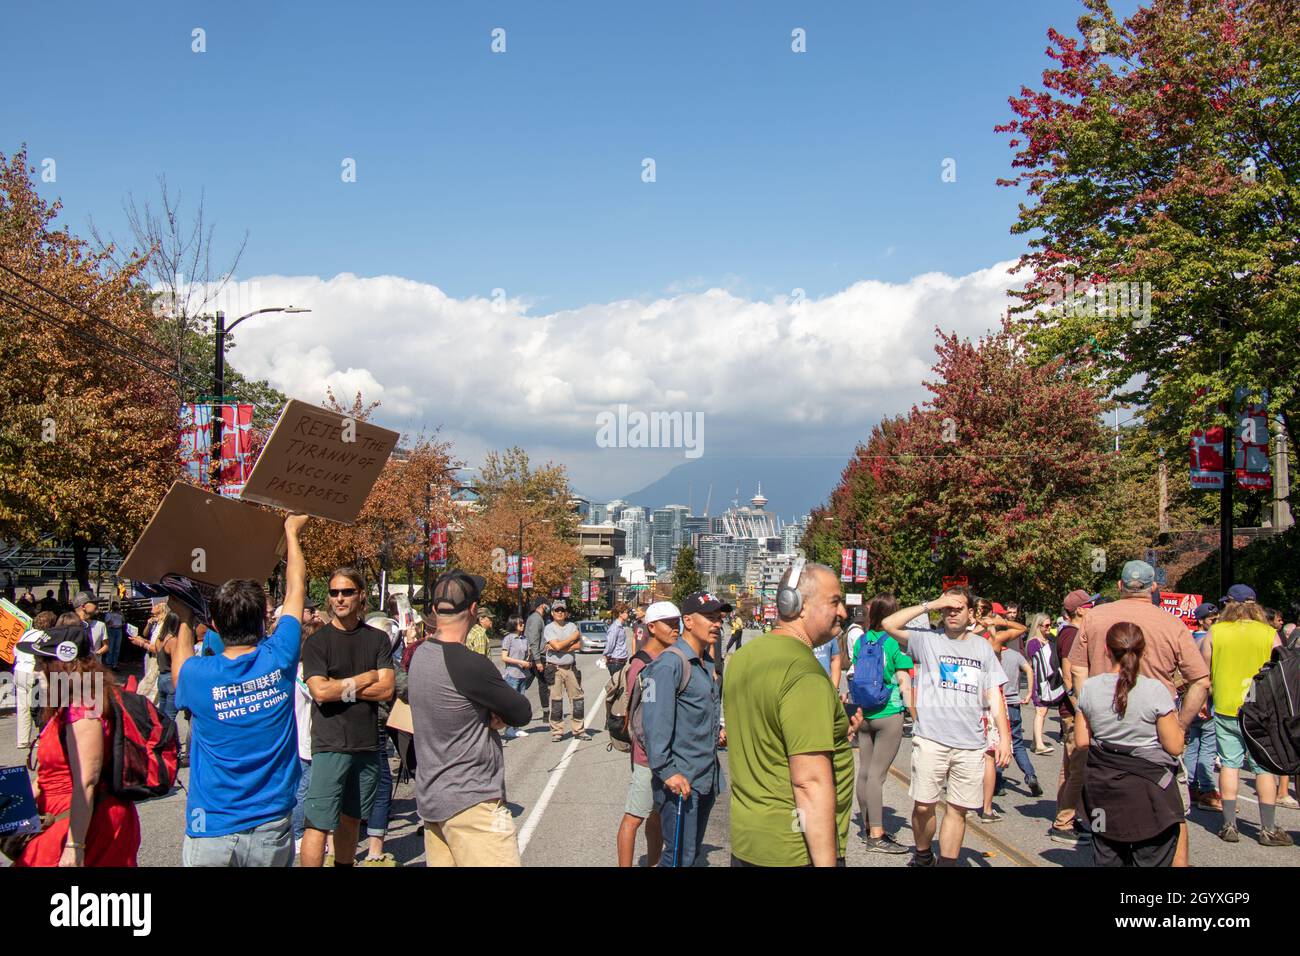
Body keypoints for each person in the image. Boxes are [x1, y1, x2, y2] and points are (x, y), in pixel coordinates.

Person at [172, 514, 310, 866]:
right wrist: (291, 533)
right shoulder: (279, 657)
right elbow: (296, 589)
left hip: (212, 824)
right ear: (265, 621)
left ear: (214, 625)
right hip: (271, 821)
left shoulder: (197, 676)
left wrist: (184, 616)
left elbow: (181, 657)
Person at [1068, 560, 1210, 866]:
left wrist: (1089, 709)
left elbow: (1077, 670)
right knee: (1172, 817)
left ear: (1119, 586)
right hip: (1154, 741)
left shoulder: (1093, 619)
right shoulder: (1171, 624)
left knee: (1105, 826)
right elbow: (1201, 681)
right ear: (1154, 588)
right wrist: (1180, 724)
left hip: (1103, 746)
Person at [726, 561, 860, 867]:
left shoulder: (744, 657)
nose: (842, 612)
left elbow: (768, 734)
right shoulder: (804, 674)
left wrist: (838, 731)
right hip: (794, 849)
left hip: (749, 840)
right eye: (834, 601)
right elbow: (810, 783)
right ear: (797, 605)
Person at [408, 570, 531, 866]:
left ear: (436, 610)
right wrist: (492, 714)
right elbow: (522, 712)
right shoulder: (469, 664)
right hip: (472, 801)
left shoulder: (420, 655)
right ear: (474, 610)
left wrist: (484, 713)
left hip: (432, 799)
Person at [881, 588, 1010, 867]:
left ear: (971, 613)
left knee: (958, 809)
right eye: (948, 609)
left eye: (959, 608)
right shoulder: (927, 640)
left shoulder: (982, 648)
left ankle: (948, 862)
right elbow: (888, 624)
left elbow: (993, 694)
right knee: (924, 805)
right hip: (931, 739)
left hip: (971, 743)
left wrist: (1004, 739)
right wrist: (933, 603)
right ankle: (924, 852)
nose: (952, 612)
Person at [12, 615, 141, 867]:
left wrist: (74, 847)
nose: (39, 669)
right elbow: (48, 775)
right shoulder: (68, 703)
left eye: (44, 661)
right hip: (64, 818)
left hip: (83, 824)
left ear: (64, 665)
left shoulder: (83, 707)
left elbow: (87, 781)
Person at [300, 568, 396, 868]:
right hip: (330, 743)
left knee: (351, 818)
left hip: (366, 743)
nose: (339, 598)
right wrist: (365, 678)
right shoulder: (317, 642)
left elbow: (386, 689)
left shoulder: (377, 639)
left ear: (361, 594)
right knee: (318, 822)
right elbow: (319, 692)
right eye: (334, 592)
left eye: (347, 592)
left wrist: (341, 686)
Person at [1076, 622, 1185, 867]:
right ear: (1143, 651)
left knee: (1106, 854)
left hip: (1102, 793)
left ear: (1106, 650)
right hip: (1148, 794)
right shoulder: (1155, 690)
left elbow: (1082, 741)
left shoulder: (1089, 688)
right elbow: (1175, 747)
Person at [642, 591, 726, 867]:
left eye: (719, 618)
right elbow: (654, 725)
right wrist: (668, 772)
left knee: (689, 856)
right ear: (688, 621)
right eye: (710, 618)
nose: (717, 623)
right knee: (678, 858)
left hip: (704, 778)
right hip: (681, 781)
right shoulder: (669, 664)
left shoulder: (706, 663)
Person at [1202, 585, 1291, 846]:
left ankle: (1229, 824)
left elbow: (1203, 671)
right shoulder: (1269, 633)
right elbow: (1282, 669)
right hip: (1260, 708)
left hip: (1226, 705)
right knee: (1263, 767)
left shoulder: (1216, 632)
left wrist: (1206, 699)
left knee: (1230, 763)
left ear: (1230, 605)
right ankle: (1267, 828)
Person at [616, 601, 679, 867]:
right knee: (634, 817)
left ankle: (653, 862)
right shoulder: (645, 665)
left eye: (678, 623)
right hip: (649, 756)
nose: (676, 629)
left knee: (654, 816)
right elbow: (643, 719)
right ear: (651, 627)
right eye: (670, 624)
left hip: (662, 754)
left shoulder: (666, 659)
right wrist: (655, 753)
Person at [848, 593, 913, 853]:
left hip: (864, 712)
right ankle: (877, 833)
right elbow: (904, 682)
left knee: (864, 771)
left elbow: (855, 670)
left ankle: (865, 824)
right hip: (889, 712)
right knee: (878, 775)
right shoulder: (895, 643)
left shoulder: (861, 641)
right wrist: (914, 715)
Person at [1049, 589, 1096, 844]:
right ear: (1079, 610)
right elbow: (1069, 675)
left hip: (1074, 711)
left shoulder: (1074, 632)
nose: (1094, 608)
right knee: (1079, 769)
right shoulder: (1071, 635)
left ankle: (1067, 816)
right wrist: (1082, 708)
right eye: (1091, 605)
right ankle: (1063, 823)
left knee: (1070, 768)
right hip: (1075, 712)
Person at [994, 638, 1041, 798]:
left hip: (999, 703)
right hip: (1014, 703)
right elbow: (1029, 669)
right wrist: (1028, 692)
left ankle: (998, 782)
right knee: (1018, 744)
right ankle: (1030, 775)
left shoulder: (991, 655)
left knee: (999, 743)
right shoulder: (1015, 655)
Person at [1185, 603, 1221, 811]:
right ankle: (1207, 789)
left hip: (1194, 699)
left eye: (1216, 618)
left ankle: (1191, 786)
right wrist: (1206, 701)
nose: (1215, 622)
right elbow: (1205, 676)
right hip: (1205, 700)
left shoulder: (1191, 640)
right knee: (1207, 745)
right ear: (1200, 621)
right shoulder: (1205, 641)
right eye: (1211, 619)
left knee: (1195, 744)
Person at [293, 614, 324, 850]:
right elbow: (319, 694)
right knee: (305, 788)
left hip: (304, 737)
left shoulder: (297, 668)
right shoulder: (303, 672)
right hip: (306, 739)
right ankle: (298, 833)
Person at [544, 602, 588, 742]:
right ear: (552, 613)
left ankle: (579, 730)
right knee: (556, 701)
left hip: (570, 668)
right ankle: (557, 731)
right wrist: (571, 639)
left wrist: (559, 647)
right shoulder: (549, 628)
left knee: (578, 700)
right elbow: (558, 645)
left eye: (562, 610)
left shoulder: (572, 626)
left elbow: (579, 644)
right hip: (555, 668)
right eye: (557, 610)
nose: (560, 612)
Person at [13, 610, 55, 750]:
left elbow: (15, 651)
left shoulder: (26, 634)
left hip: (19, 670)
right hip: (33, 671)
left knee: (22, 707)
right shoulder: (44, 637)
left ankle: (22, 740)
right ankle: (42, 736)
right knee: (39, 706)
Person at [1023, 612, 1056, 754]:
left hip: (1049, 680)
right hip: (1039, 680)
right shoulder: (1033, 643)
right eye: (1046, 625)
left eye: (1050, 625)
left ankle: (1036, 741)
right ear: (1039, 626)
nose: (1049, 628)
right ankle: (1039, 744)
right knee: (1040, 711)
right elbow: (1038, 663)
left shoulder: (1049, 640)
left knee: (1044, 711)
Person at [500, 615, 532, 741]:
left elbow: (528, 654)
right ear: (514, 624)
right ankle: (508, 729)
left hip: (523, 674)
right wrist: (519, 662)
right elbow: (504, 657)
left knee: (520, 702)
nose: (523, 625)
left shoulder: (524, 638)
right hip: (512, 674)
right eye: (520, 623)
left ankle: (516, 727)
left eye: (523, 623)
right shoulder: (509, 638)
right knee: (511, 703)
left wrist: (528, 661)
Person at [525, 598, 551, 719]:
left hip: (535, 657)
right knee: (541, 685)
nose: (548, 608)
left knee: (527, 684)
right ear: (542, 605)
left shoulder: (537, 618)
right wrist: (537, 661)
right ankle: (546, 713)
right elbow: (534, 641)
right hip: (536, 657)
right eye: (547, 605)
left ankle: (546, 712)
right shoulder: (536, 619)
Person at [72, 591, 108, 659]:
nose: (97, 605)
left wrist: (97, 653)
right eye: (94, 603)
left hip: (95, 667)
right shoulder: (69, 626)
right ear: (83, 606)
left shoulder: (100, 625)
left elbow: (106, 646)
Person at [604, 603, 631, 676]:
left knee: (621, 685)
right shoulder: (615, 628)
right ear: (620, 614)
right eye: (626, 612)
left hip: (621, 661)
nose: (628, 614)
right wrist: (607, 657)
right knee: (617, 686)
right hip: (616, 662)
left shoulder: (620, 627)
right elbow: (610, 644)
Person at [102, 601, 125, 670]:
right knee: (110, 647)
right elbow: (107, 622)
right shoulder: (109, 614)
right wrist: (112, 619)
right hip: (111, 630)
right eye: (115, 606)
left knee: (117, 648)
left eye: (117, 606)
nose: (117, 607)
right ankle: (109, 663)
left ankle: (115, 664)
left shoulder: (120, 614)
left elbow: (123, 621)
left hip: (119, 630)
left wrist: (121, 615)